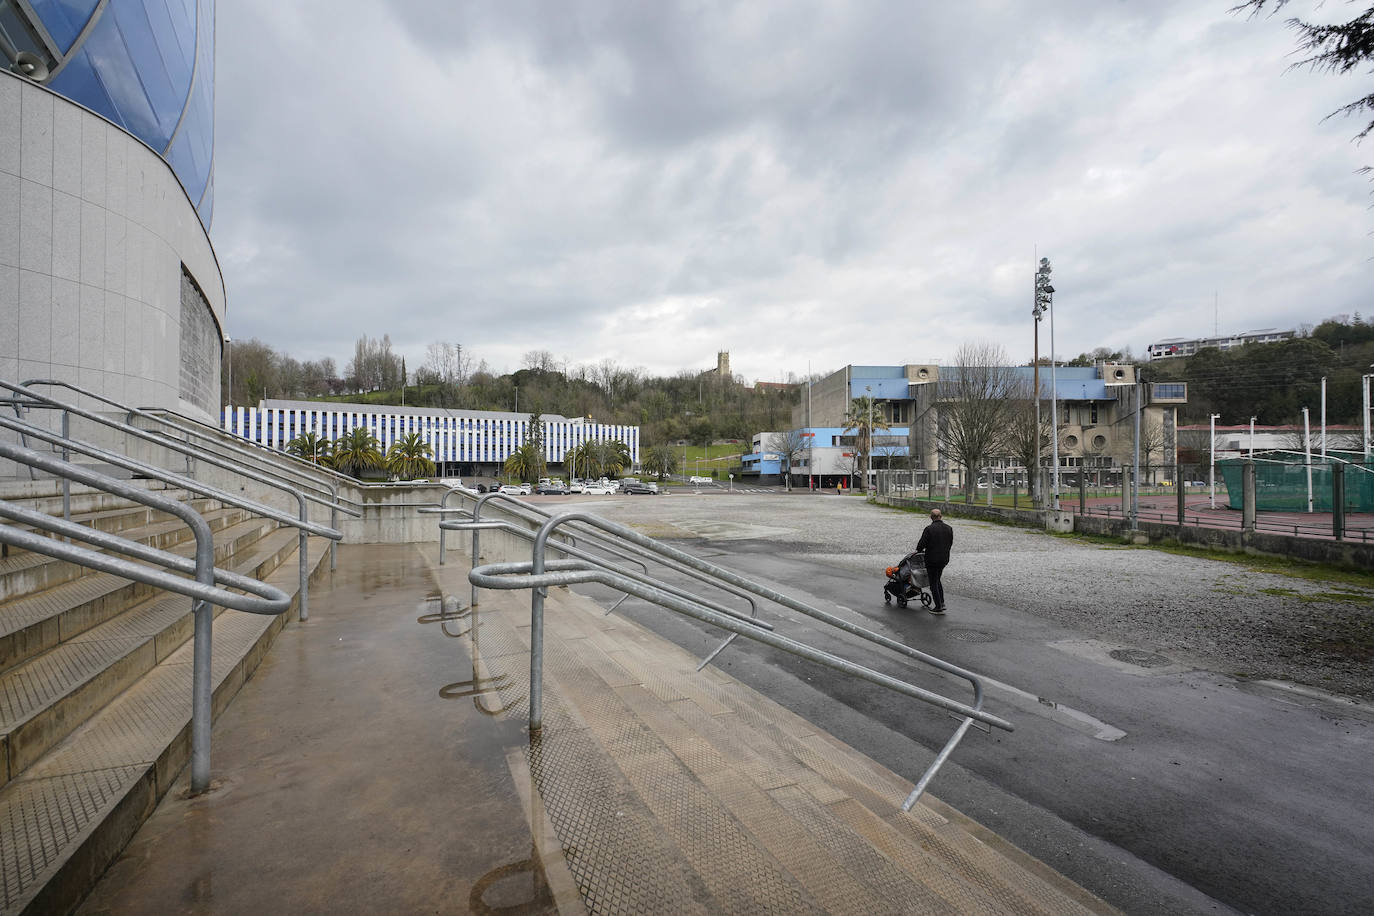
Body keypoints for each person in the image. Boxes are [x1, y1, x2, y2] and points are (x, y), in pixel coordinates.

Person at [916, 508, 953, 614]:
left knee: (933, 583)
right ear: (941, 516)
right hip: (944, 559)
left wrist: (919, 550)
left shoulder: (929, 529)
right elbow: (950, 543)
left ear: (931, 517)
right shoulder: (949, 528)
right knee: (937, 580)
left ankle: (938, 607)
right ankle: (941, 602)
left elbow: (921, 544)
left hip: (932, 560)